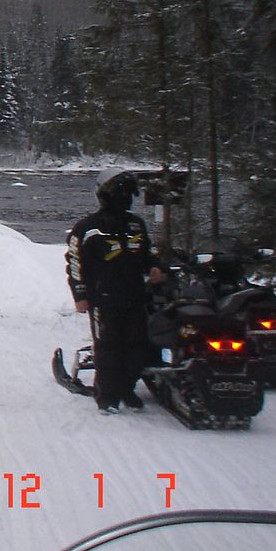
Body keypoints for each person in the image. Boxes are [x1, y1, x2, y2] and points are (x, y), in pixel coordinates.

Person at [66, 169, 165, 414]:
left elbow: (148, 252)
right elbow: (75, 263)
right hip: (104, 298)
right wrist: (81, 295)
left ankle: (127, 388)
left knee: (136, 346)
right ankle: (107, 396)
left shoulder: (136, 224)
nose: (125, 198)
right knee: (109, 347)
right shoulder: (88, 227)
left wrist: (155, 266)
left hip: (135, 295)